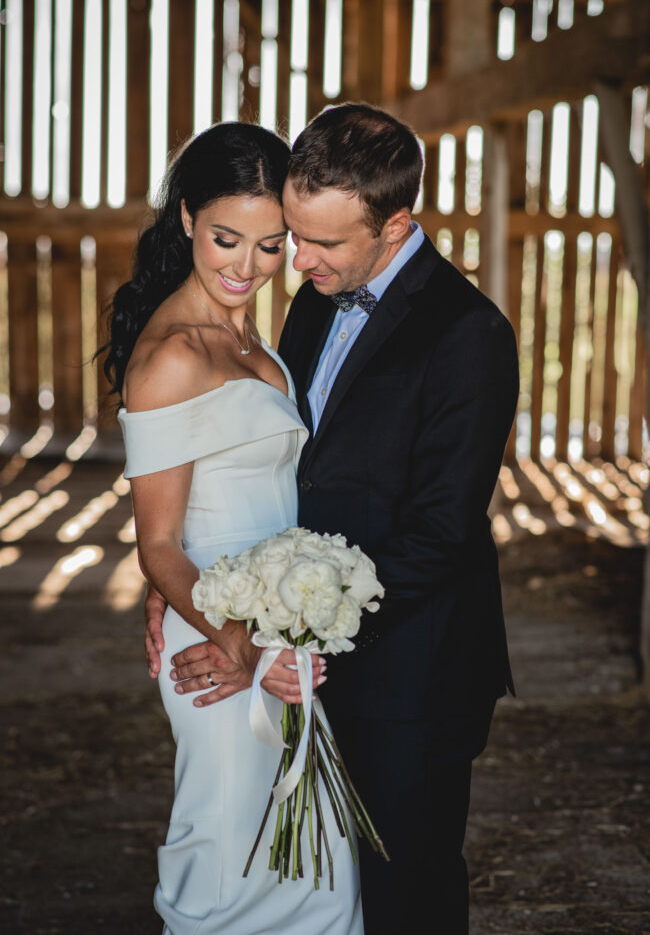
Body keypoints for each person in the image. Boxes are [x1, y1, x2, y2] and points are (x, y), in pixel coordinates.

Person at [145, 103, 519, 935]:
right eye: (292, 235)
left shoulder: (470, 336)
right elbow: (287, 463)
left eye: (320, 243)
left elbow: (440, 533)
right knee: (318, 882)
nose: (294, 259)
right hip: (296, 654)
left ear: (395, 227)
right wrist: (191, 574)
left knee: (403, 890)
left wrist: (294, 632)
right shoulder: (319, 290)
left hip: (411, 669)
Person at [105, 121, 362, 934]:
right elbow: (159, 547)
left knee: (315, 864)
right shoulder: (173, 355)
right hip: (217, 642)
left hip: (288, 632)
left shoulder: (262, 342)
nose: (245, 268)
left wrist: (292, 629)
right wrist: (245, 650)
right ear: (185, 219)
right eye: (226, 239)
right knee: (227, 858)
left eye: (270, 246)